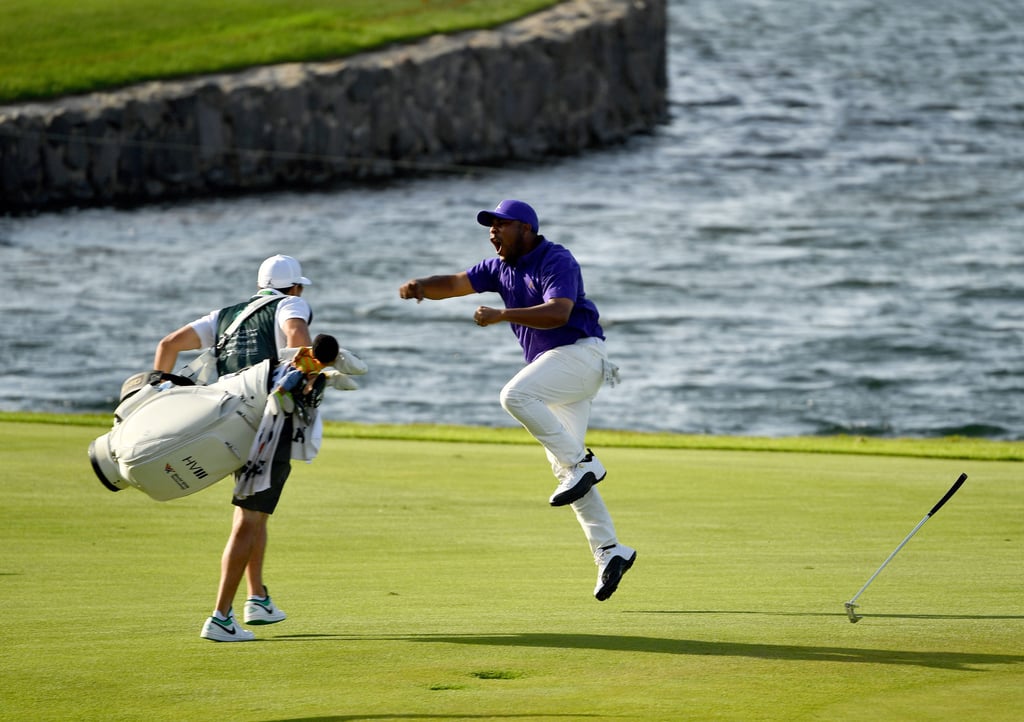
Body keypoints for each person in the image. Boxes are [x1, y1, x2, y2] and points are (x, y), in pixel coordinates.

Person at [398, 200, 636, 601]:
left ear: (526, 228)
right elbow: (455, 282)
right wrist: (421, 286)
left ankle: (585, 463)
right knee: (565, 471)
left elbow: (559, 313)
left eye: (500, 225)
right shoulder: (497, 267)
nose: (492, 232)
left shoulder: (556, 258)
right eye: (489, 226)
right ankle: (610, 550)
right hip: (557, 369)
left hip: (581, 355)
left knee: (515, 395)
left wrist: (502, 315)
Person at [153, 254, 364, 641]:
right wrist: (315, 369)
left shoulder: (226, 315)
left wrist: (159, 388)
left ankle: (257, 599)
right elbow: (298, 341)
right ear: (296, 287)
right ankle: (220, 617)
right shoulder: (291, 303)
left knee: (256, 512)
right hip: (269, 423)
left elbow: (168, 345)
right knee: (248, 518)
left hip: (230, 422)